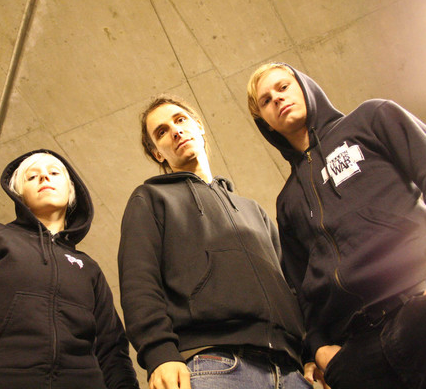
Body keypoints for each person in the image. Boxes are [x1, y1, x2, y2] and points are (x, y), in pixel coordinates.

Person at [246, 62, 426, 389]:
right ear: (264, 121)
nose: (277, 98)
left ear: (305, 87)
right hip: (358, 350)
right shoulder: (287, 201)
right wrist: (319, 348)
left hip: (420, 302)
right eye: (266, 100)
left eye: (283, 87)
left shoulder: (372, 118)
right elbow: (300, 288)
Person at [118, 95, 311, 389]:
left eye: (180, 120)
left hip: (290, 371)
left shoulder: (253, 210)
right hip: (214, 366)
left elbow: (291, 286)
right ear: (158, 154)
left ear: (199, 126)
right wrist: (159, 353)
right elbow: (138, 282)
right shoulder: (151, 199)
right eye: (162, 131)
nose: (176, 131)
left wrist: (309, 351)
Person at [0, 150, 139, 389]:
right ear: (20, 195)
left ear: (71, 192)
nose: (44, 177)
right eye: (32, 176)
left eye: (54, 173)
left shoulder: (89, 268)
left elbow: (112, 350)